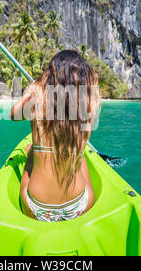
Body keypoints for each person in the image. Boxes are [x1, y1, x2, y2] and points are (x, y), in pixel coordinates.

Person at [10, 50, 101, 222]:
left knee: (32, 151)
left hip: (37, 208)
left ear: (49, 76)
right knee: (79, 153)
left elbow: (13, 114)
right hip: (80, 205)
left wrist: (34, 88)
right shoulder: (88, 103)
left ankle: (31, 152)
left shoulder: (37, 99)